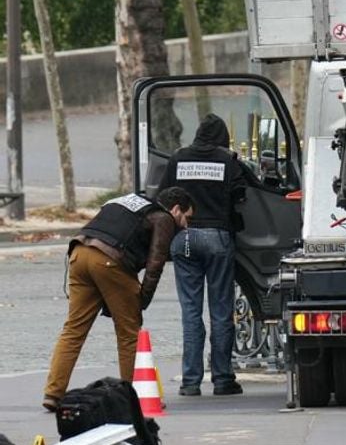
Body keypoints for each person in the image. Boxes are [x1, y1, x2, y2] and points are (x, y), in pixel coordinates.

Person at [43, 188, 194, 411]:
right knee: (129, 333)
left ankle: (53, 393)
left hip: (78, 252)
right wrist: (141, 300)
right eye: (186, 218)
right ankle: (133, 396)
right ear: (176, 209)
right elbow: (155, 263)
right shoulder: (164, 219)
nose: (186, 225)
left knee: (73, 329)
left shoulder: (130, 200)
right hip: (110, 261)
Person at [164, 114, 250, 397]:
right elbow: (241, 194)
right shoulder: (227, 160)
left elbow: (163, 197)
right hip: (217, 239)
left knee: (190, 311)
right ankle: (223, 379)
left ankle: (191, 382)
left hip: (185, 238)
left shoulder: (178, 158)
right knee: (221, 310)